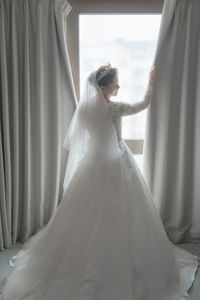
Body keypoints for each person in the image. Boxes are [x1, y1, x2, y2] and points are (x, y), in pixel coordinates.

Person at [1, 64, 199, 300]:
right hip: (117, 165)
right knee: (120, 214)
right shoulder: (114, 108)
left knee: (84, 215)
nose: (118, 86)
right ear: (103, 87)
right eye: (115, 83)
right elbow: (143, 105)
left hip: (92, 164)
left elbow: (84, 139)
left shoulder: (85, 110)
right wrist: (151, 82)